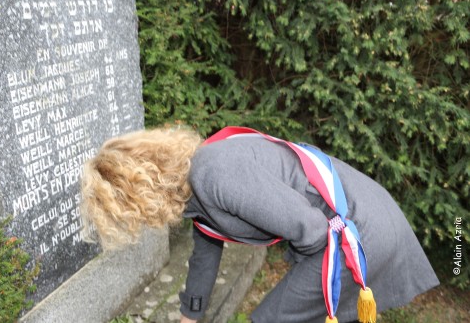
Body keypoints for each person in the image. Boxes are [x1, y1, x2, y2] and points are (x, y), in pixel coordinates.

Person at [81, 126, 439, 323]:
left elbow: (312, 231)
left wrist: (295, 288)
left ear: (140, 197)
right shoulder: (196, 182)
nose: (140, 224)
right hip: (344, 222)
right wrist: (190, 316)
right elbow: (206, 248)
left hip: (357, 229)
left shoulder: (213, 172)